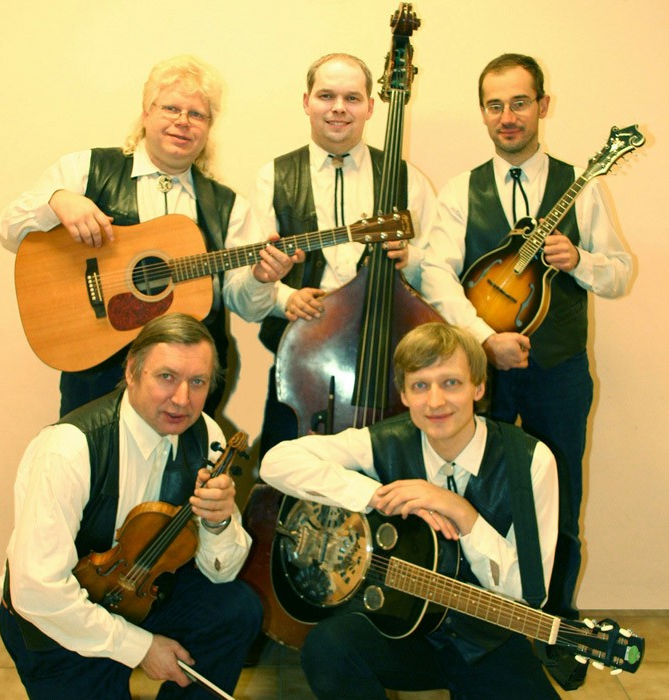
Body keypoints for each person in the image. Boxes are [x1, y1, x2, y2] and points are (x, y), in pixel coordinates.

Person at [420, 53, 633, 687]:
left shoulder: (581, 186)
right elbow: (435, 274)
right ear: (483, 112)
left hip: (559, 373)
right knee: (472, 495)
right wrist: (485, 340)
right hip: (481, 374)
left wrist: (580, 262)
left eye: (519, 102)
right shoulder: (460, 190)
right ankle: (476, 624)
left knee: (560, 499)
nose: (507, 116)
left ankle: (557, 629)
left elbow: (620, 274)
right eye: (495, 105)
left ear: (542, 105)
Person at [260, 322, 560, 699]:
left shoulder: (530, 462)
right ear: (403, 394)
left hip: (487, 642)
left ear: (479, 387)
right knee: (328, 647)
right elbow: (276, 462)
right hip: (404, 634)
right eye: (420, 386)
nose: (435, 402)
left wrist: (463, 514)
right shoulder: (385, 441)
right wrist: (376, 495)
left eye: (451, 383)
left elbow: (529, 595)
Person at [0, 54, 294, 418]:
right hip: (96, 377)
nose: (183, 122)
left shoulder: (228, 206)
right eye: (171, 108)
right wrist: (56, 202)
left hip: (183, 390)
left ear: (208, 127)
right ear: (146, 112)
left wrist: (261, 278)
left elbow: (249, 306)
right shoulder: (87, 169)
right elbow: (8, 229)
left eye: (197, 114)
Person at [0, 313, 263, 700]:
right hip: (56, 620)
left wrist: (218, 523)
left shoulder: (205, 434)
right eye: (167, 377)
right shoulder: (68, 448)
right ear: (132, 371)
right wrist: (140, 647)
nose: (182, 399)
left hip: (139, 595)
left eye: (198, 382)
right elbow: (37, 590)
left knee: (236, 609)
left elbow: (221, 574)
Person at [223, 52, 439, 456]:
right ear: (307, 102)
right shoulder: (272, 178)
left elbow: (439, 279)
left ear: (370, 107)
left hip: (387, 374)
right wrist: (284, 297)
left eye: (352, 98)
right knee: (283, 481)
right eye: (326, 96)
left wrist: (409, 260)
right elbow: (241, 298)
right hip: (301, 373)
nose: (339, 108)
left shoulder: (408, 180)